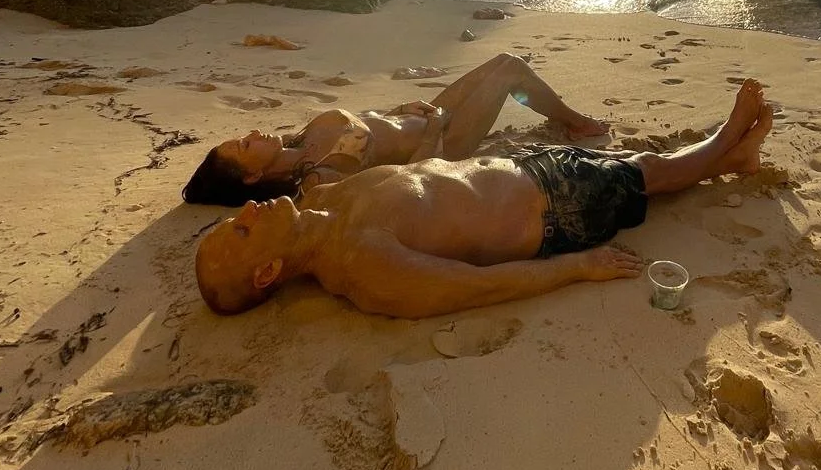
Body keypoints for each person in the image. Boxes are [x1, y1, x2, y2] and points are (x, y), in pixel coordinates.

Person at [194, 81, 774, 318]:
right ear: (268, 270)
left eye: (237, 217)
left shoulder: (329, 201)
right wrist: (576, 268)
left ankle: (735, 160)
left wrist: (427, 135)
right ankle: (724, 142)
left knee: (625, 165)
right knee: (649, 171)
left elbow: (417, 183)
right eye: (243, 230)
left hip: (522, 169)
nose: (247, 211)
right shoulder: (360, 267)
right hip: (551, 210)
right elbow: (473, 287)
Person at [182, 54, 609, 209]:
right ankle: (572, 122)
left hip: (426, 115)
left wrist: (402, 109)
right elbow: (410, 182)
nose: (253, 132)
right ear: (252, 176)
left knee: (502, 59)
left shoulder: (301, 136)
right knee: (510, 72)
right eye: (244, 145)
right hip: (445, 140)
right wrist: (434, 130)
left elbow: (367, 124)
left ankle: (559, 114)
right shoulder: (321, 177)